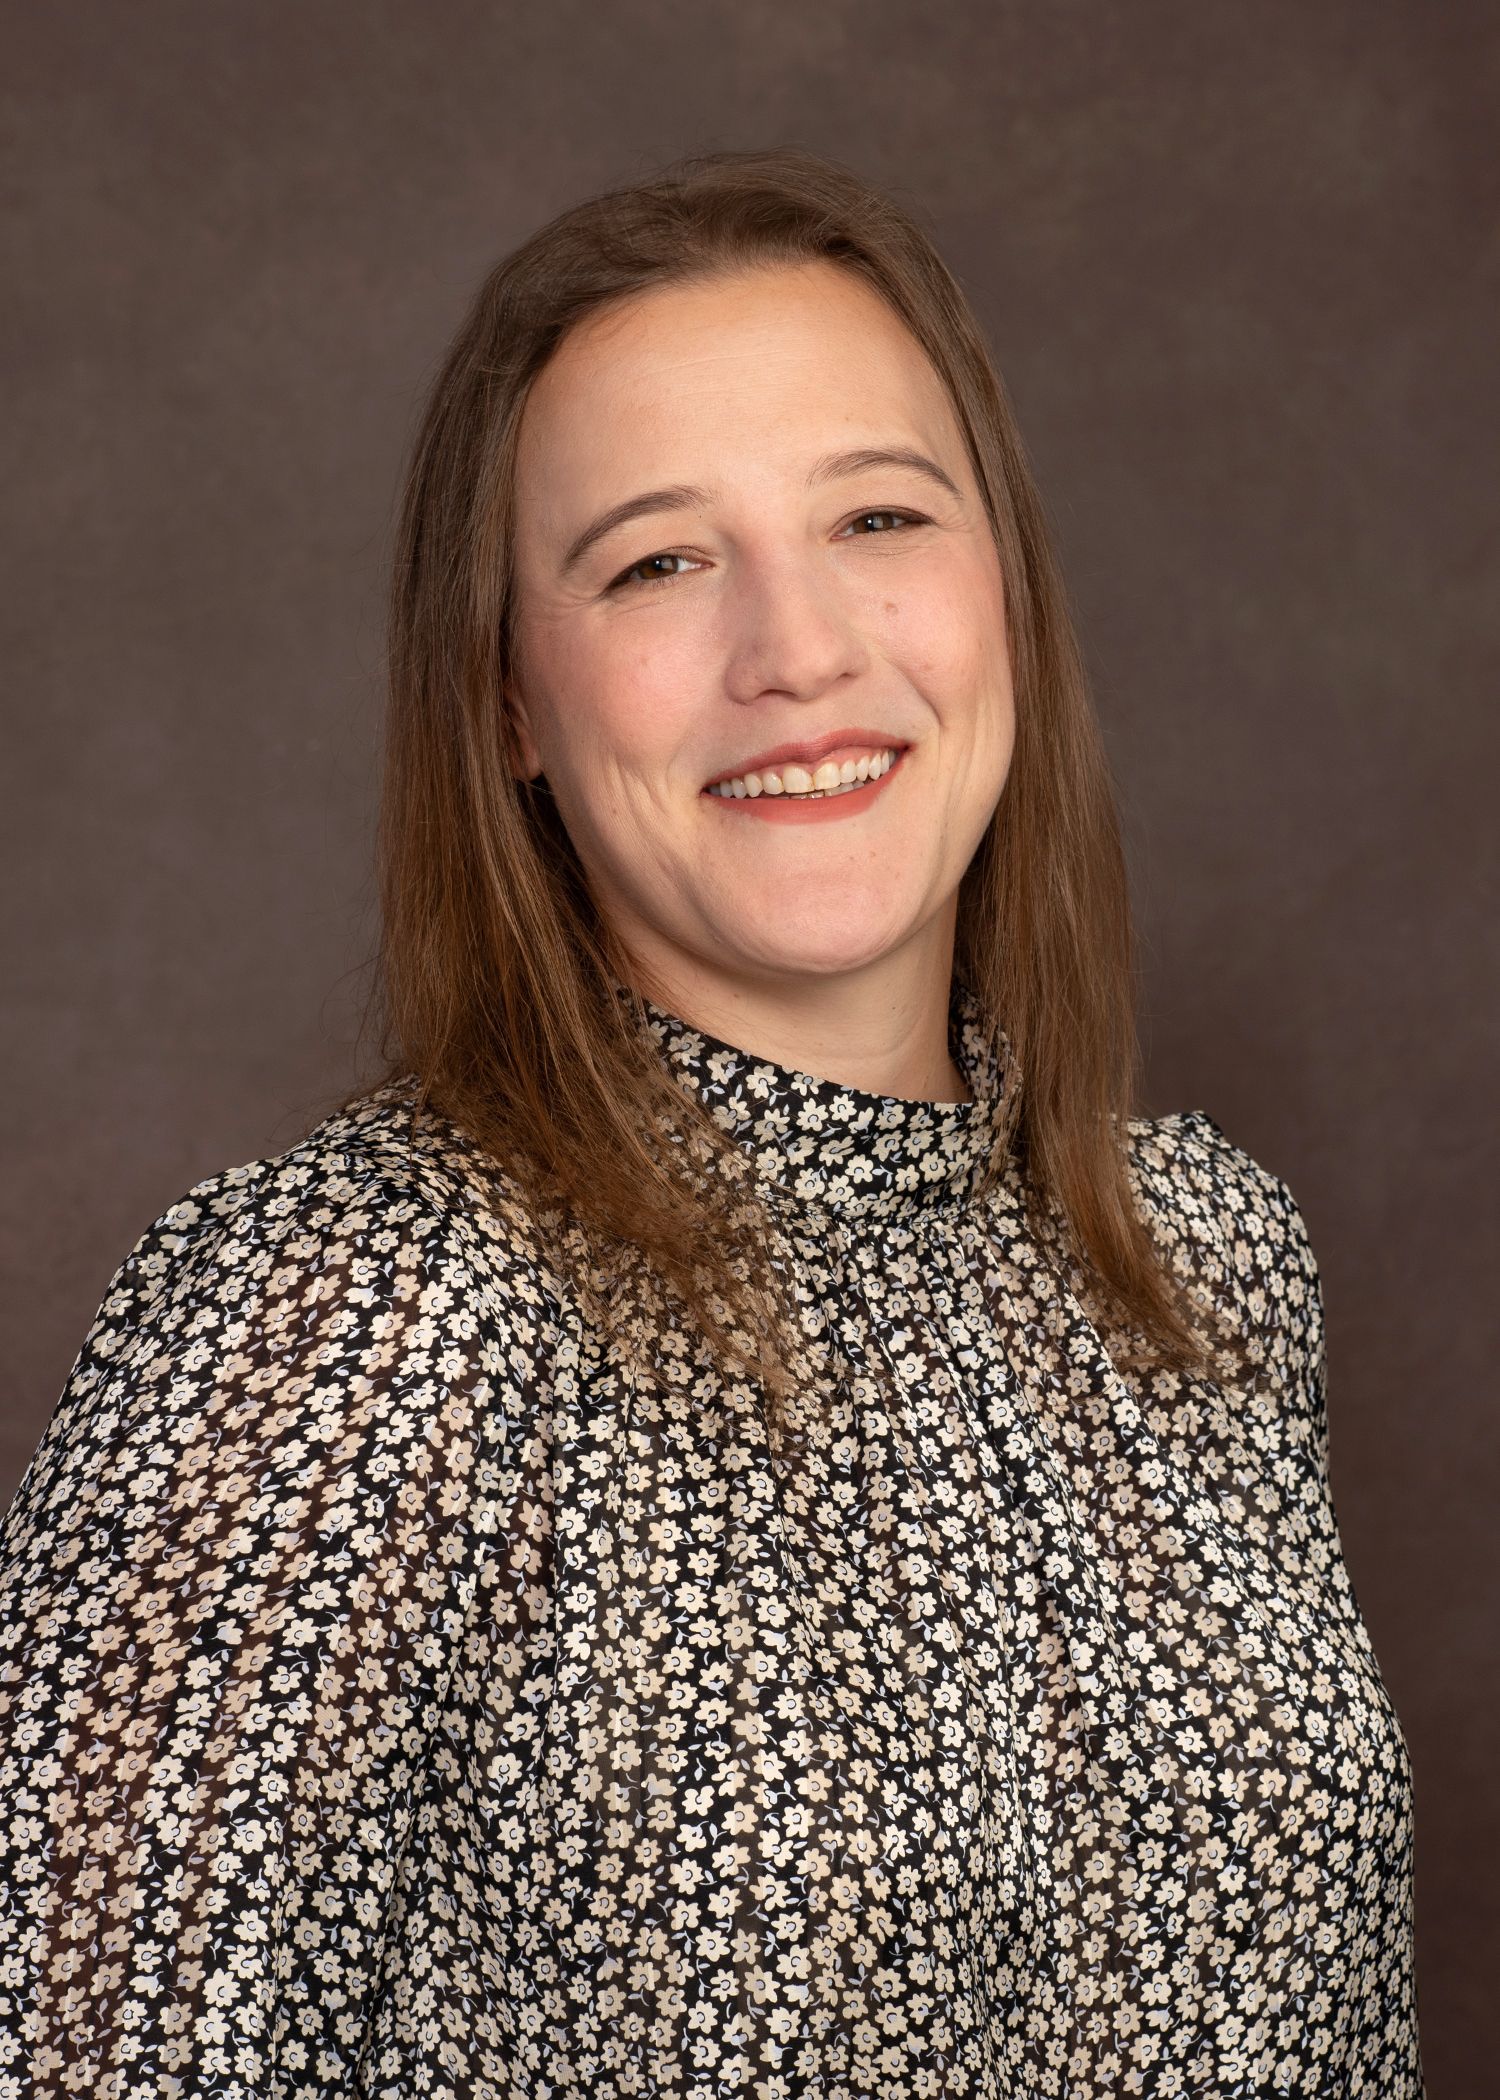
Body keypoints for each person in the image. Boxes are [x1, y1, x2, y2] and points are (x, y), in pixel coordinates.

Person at [0, 146, 1422, 2099]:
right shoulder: (347, 1309)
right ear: (511, 699)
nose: (800, 650)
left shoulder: (1201, 1263)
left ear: (1006, 590)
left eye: (878, 516)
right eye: (659, 561)